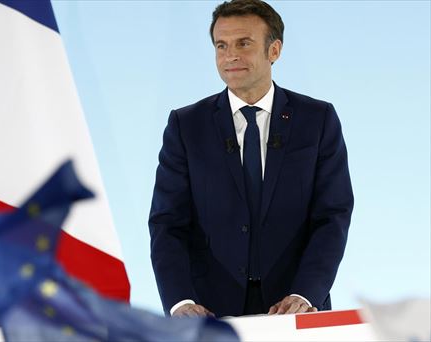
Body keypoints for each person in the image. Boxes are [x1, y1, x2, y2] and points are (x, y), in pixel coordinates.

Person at [149, 0, 354, 318]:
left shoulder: (317, 119)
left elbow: (332, 216)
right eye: (221, 45)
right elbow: (168, 223)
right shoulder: (186, 125)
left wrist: (305, 293)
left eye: (244, 43)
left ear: (274, 50)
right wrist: (180, 301)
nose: (230, 55)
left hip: (295, 310)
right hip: (211, 315)